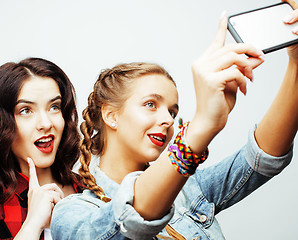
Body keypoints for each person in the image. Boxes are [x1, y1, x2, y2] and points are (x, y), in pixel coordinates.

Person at [51, 1, 298, 239]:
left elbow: (262, 159)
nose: (167, 120)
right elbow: (132, 220)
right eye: (150, 104)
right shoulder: (73, 213)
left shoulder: (190, 189)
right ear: (110, 115)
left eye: (172, 111)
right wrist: (200, 128)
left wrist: (296, 63)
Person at [0, 58, 84, 240]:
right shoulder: (3, 204)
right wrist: (33, 225)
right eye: (25, 110)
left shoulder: (89, 191)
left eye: (54, 107)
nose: (46, 124)